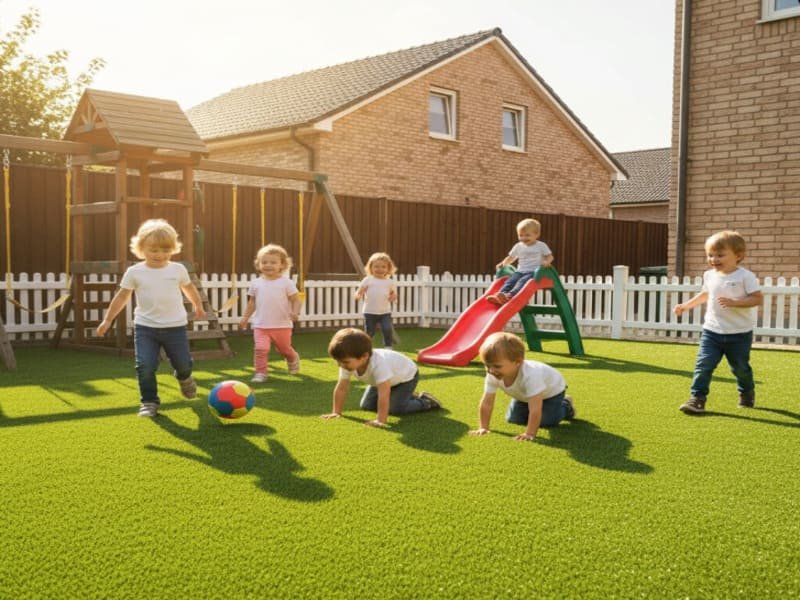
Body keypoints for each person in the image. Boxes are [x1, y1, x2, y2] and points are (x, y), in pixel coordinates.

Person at [97, 219, 206, 417]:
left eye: (165, 250)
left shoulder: (177, 270)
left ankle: (184, 377)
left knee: (183, 363)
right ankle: (149, 401)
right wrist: (108, 319)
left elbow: (189, 288)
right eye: (153, 250)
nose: (159, 255)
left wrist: (198, 305)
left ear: (173, 249)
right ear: (141, 248)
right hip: (146, 328)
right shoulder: (135, 272)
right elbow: (122, 296)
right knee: (145, 366)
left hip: (175, 327)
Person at [673, 230, 763, 414]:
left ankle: (746, 392)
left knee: (740, 368)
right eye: (710, 255)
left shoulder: (745, 277)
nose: (714, 259)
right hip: (712, 332)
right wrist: (687, 305)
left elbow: (757, 299)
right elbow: (706, 294)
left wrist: (735, 303)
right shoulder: (710, 275)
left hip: (739, 334)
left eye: (720, 255)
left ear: (738, 256)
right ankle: (697, 399)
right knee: (703, 364)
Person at [321, 328, 440, 427]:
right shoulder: (347, 364)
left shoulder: (379, 364)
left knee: (395, 409)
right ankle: (405, 396)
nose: (340, 365)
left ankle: (426, 401)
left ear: (364, 356)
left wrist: (380, 420)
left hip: (406, 377)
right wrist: (336, 412)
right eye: (338, 361)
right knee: (366, 406)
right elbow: (342, 388)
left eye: (345, 362)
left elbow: (384, 393)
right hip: (383, 381)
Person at [470, 332, 575, 441]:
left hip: (552, 392)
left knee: (545, 422)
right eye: (487, 365)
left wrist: (530, 433)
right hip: (524, 395)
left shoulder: (531, 375)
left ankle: (566, 405)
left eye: (497, 366)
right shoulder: (493, 374)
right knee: (514, 419)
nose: (491, 370)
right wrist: (483, 427)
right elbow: (487, 402)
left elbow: (535, 408)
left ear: (517, 362)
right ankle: (527, 405)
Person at [238, 244, 301, 382]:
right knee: (261, 349)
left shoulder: (286, 283)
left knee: (284, 350)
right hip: (260, 324)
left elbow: (296, 300)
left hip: (282, 325)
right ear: (259, 264)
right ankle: (261, 373)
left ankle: (292, 358)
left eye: (273, 262)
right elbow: (252, 303)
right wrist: (245, 317)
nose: (268, 265)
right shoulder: (256, 283)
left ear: (282, 265)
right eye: (264, 262)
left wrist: (295, 312)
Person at [487, 218, 553, 305]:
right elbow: (511, 257)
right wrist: (503, 263)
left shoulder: (541, 245)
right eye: (521, 235)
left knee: (521, 282)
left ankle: (509, 296)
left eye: (527, 235)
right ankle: (500, 295)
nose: (523, 238)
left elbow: (550, 256)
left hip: (533, 272)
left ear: (536, 234)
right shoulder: (518, 246)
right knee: (510, 281)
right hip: (520, 271)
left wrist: (547, 261)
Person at [354, 252, 398, 349]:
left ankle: (388, 347)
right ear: (371, 268)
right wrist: (358, 295)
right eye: (376, 266)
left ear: (388, 268)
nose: (380, 269)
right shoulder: (368, 280)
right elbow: (359, 291)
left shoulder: (390, 282)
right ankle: (366, 347)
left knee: (387, 329)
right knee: (370, 332)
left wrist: (393, 297)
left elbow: (393, 294)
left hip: (385, 312)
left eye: (383, 267)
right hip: (369, 312)